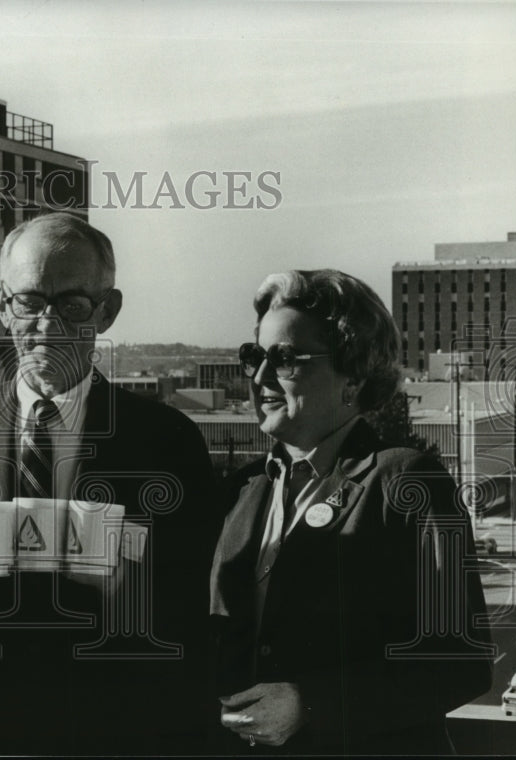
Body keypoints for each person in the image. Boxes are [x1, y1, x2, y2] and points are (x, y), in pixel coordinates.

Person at [0, 212, 220, 755]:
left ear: (107, 311)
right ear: (1, 304)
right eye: (30, 302)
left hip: (116, 734)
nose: (49, 324)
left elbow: (192, 612)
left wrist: (118, 583)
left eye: (72, 304)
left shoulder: (167, 440)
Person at [210, 269, 493, 754]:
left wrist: (311, 704)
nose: (259, 378)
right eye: (254, 356)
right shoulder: (243, 490)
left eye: (284, 359)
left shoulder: (406, 481)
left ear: (353, 376)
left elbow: (459, 662)